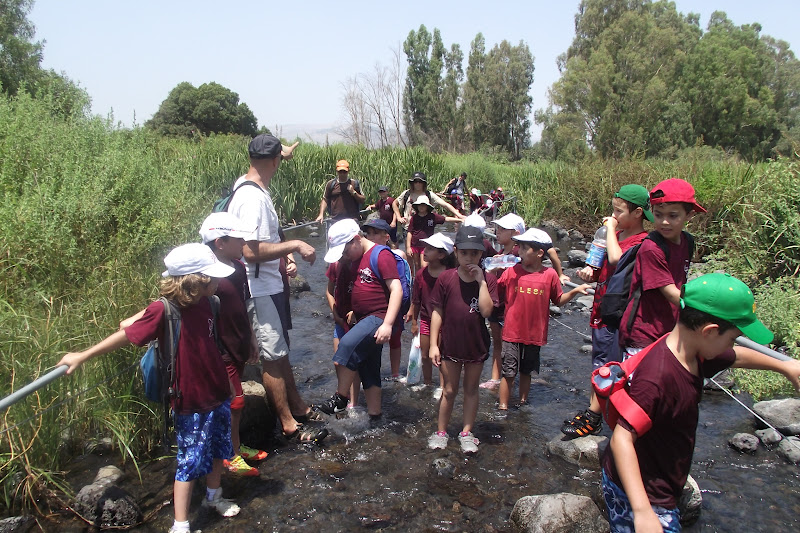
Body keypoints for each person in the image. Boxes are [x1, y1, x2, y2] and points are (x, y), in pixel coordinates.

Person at [57, 243, 242, 533]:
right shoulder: (163, 310)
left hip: (217, 392)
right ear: (195, 281)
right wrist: (82, 356)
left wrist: (229, 384)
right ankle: (180, 524)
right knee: (189, 461)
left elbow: (214, 348)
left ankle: (213, 496)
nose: (219, 281)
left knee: (219, 448)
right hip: (190, 400)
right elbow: (125, 335)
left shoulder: (209, 303)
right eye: (212, 276)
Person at [602, 273, 800, 532]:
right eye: (732, 337)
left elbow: (736, 356)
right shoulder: (659, 377)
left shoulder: (694, 351)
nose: (731, 345)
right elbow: (621, 439)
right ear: (709, 331)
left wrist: (785, 367)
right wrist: (642, 511)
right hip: (643, 493)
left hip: (661, 477)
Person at [227, 134, 328, 443]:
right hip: (259, 288)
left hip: (269, 284)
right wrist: (295, 244)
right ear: (274, 162)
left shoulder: (246, 184)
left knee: (281, 350)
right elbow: (250, 251)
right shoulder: (253, 199)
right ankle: (288, 425)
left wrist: (283, 151)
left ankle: (297, 405)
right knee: (272, 355)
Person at [561, 184, 652, 438]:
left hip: (617, 314)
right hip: (601, 308)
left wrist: (610, 230)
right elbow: (607, 268)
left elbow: (617, 260)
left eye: (619, 212)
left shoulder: (640, 242)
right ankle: (596, 412)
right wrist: (591, 273)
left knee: (607, 365)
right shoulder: (618, 235)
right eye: (612, 211)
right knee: (598, 362)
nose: (613, 217)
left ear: (637, 214)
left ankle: (597, 418)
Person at [198, 213, 266, 477]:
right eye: (238, 238)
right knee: (235, 401)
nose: (243, 243)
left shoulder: (237, 267)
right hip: (219, 347)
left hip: (238, 341)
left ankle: (235, 446)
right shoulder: (205, 273)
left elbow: (243, 304)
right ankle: (229, 455)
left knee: (235, 402)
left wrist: (251, 338)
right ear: (219, 242)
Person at [316, 218, 403, 418]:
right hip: (363, 318)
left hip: (379, 317)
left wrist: (388, 324)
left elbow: (396, 289)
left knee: (345, 345)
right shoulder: (356, 258)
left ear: (356, 239)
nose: (344, 256)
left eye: (345, 251)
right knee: (369, 369)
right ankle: (375, 416)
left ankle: (340, 399)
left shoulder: (380, 255)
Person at [496, 229, 590, 410]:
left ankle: (523, 403)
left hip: (534, 334)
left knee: (527, 370)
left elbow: (558, 300)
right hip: (512, 332)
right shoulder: (511, 272)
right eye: (519, 248)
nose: (520, 252)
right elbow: (497, 294)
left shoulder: (550, 275)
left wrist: (575, 291)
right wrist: (493, 273)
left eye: (524, 248)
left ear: (540, 253)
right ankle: (503, 406)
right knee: (508, 371)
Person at [427, 225, 499, 454]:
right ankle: (441, 431)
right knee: (449, 389)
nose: (469, 258)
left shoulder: (488, 280)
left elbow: (487, 311)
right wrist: (433, 345)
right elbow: (437, 312)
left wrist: (481, 282)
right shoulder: (446, 279)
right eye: (464, 253)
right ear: (455, 253)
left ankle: (467, 432)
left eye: (475, 253)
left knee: (471, 390)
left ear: (481, 255)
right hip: (450, 344)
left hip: (475, 344)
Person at [480, 214, 570, 390]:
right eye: (497, 228)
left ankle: (503, 382)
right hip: (498, 305)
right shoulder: (502, 253)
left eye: (503, 229)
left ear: (516, 233)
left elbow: (549, 250)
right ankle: (496, 378)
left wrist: (559, 273)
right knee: (499, 345)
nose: (498, 232)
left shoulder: (518, 255)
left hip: (511, 311)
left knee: (510, 350)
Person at [618, 178, 704, 358]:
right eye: (658, 215)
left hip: (669, 329)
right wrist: (711, 307)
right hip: (643, 335)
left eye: (673, 216)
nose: (664, 222)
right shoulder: (651, 248)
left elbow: (681, 282)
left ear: (689, 215)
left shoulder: (687, 241)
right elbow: (673, 294)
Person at [406, 232, 455, 390]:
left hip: (446, 321)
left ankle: (442, 385)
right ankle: (427, 383)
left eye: (430, 248)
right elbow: (416, 300)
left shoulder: (451, 274)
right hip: (426, 319)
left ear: (441, 255)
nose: (424, 251)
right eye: (425, 247)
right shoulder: (421, 274)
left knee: (442, 354)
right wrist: (414, 322)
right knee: (425, 355)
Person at [362, 218, 406, 382]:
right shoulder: (364, 256)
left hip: (393, 305)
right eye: (368, 233)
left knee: (395, 340)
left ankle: (395, 373)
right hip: (375, 307)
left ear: (386, 236)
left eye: (375, 233)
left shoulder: (397, 255)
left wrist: (407, 308)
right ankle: (374, 376)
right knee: (373, 343)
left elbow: (404, 283)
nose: (371, 237)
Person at [405, 195, 462, 275]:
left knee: (424, 265)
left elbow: (446, 219)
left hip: (426, 246)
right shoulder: (414, 218)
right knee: (416, 265)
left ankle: (426, 279)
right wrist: (408, 247)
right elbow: (410, 232)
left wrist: (460, 219)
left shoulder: (432, 217)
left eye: (423, 205)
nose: (421, 207)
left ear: (427, 206)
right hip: (415, 244)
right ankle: (417, 282)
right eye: (419, 205)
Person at [392, 172, 464, 233]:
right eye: (415, 182)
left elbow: (446, 205)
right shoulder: (406, 193)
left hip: (425, 228)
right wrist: (398, 217)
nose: (418, 184)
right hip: (408, 228)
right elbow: (394, 203)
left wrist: (459, 215)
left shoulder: (429, 194)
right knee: (409, 248)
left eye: (420, 182)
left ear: (423, 183)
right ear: (412, 183)